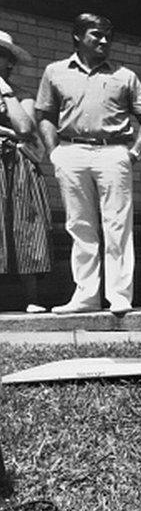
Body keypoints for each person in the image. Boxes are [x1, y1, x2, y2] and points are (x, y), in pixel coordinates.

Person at [35, 13, 141, 316]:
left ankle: (118, 295)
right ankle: (86, 295)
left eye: (108, 36)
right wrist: (54, 153)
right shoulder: (55, 71)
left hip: (113, 152)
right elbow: (45, 116)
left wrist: (135, 152)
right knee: (80, 225)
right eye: (96, 35)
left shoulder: (124, 75)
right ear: (78, 36)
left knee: (117, 225)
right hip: (70, 152)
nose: (104, 41)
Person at [0, 30, 51, 313]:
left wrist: (4, 91)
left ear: (9, 63)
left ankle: (31, 297)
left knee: (25, 225)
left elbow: (25, 129)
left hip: (18, 168)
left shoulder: (22, 97)